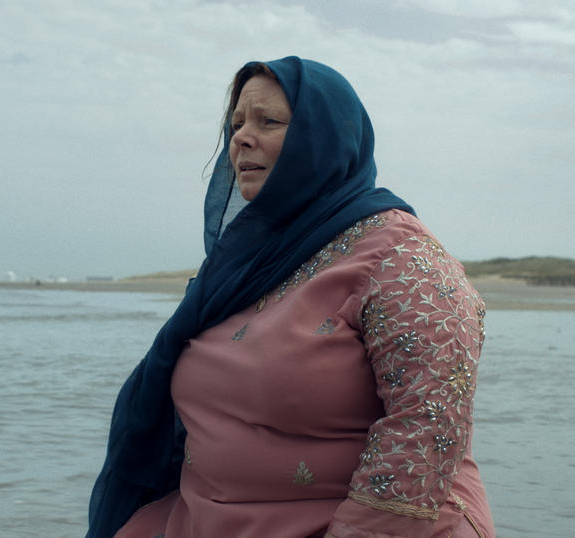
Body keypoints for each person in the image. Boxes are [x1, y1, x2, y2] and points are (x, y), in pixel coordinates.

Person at [86, 56, 495, 537]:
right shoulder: (239, 267)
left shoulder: (402, 259)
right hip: (205, 517)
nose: (241, 137)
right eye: (235, 123)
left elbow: (428, 424)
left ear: (322, 138)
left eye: (268, 121)